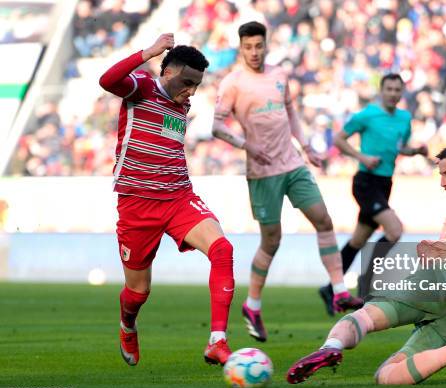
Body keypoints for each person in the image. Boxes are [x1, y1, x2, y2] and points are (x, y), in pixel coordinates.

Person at [287, 143, 446, 385]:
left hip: (440, 280)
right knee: (387, 376)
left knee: (365, 317)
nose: (443, 183)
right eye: (441, 176)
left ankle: (331, 346)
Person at [212, 21, 362, 342]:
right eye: (248, 47)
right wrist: (246, 145)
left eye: (259, 46)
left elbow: (291, 112)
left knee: (323, 219)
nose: (254, 52)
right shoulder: (232, 84)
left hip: (292, 164)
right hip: (263, 172)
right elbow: (217, 127)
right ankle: (252, 305)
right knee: (272, 241)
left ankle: (338, 291)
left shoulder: (279, 75)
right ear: (241, 49)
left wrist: (306, 147)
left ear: (266, 45)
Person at [99, 33, 234, 366]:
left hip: (178, 196)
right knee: (138, 292)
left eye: (197, 85)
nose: (191, 91)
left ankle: (218, 340)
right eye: (187, 82)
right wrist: (148, 52)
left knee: (223, 249)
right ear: (169, 71)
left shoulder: (182, 104)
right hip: (136, 203)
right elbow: (107, 80)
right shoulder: (141, 87)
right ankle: (127, 324)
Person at [318, 73, 428, 315]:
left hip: (385, 183)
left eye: (397, 90)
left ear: (401, 92)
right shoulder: (367, 115)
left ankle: (329, 289)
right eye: (389, 89)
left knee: (358, 240)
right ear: (382, 90)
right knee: (395, 231)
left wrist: (416, 151)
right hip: (365, 182)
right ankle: (365, 286)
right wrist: (362, 157)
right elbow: (338, 139)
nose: (393, 93)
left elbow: (400, 147)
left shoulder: (404, 118)